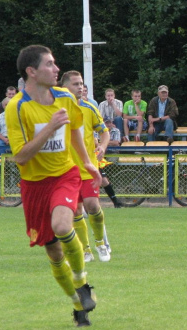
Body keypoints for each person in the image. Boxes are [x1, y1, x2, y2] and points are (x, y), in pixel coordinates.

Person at [5, 45, 101, 327]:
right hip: (34, 185)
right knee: (54, 252)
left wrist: (87, 163)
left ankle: (82, 283)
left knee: (62, 227)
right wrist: (49, 127)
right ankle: (77, 306)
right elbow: (20, 156)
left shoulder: (65, 97)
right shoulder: (17, 107)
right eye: (49, 64)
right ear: (31, 72)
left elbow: (74, 131)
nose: (56, 69)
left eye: (55, 64)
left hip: (64, 175)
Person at [61, 70, 112, 264]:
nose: (80, 87)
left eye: (81, 83)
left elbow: (104, 132)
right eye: (75, 84)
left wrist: (102, 146)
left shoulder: (89, 109)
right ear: (64, 87)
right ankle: (86, 249)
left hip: (88, 168)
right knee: (75, 211)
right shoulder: (58, 112)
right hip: (67, 171)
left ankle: (101, 243)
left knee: (92, 206)